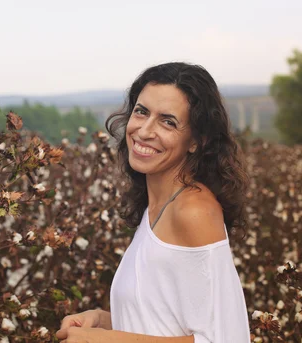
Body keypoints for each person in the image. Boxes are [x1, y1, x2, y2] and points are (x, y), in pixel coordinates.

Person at [56, 62, 251, 342]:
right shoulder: (159, 206)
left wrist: (106, 341)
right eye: (141, 112)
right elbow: (163, 322)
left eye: (168, 121)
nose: (144, 131)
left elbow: (225, 339)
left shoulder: (193, 211)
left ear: (197, 140)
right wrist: (102, 322)